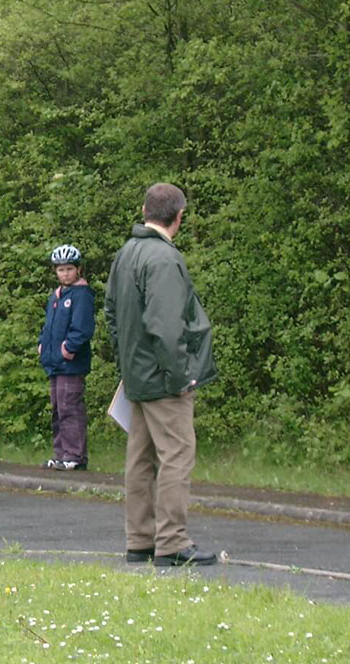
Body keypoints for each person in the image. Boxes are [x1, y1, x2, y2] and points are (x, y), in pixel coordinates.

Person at [104, 182, 218, 567]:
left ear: (144, 210)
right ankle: (172, 541)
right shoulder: (164, 259)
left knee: (140, 458)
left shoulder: (126, 253)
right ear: (179, 216)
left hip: (136, 375)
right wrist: (180, 375)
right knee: (177, 455)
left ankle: (140, 540)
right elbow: (167, 326)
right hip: (162, 377)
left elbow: (112, 314)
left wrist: (128, 363)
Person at [38, 245, 95, 471]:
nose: (65, 274)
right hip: (54, 363)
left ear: (78, 269)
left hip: (71, 363)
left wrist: (68, 348)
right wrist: (43, 345)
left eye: (69, 269)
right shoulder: (56, 295)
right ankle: (61, 453)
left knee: (70, 406)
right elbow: (48, 325)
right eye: (61, 270)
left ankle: (75, 455)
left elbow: (82, 328)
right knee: (57, 408)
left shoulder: (82, 295)